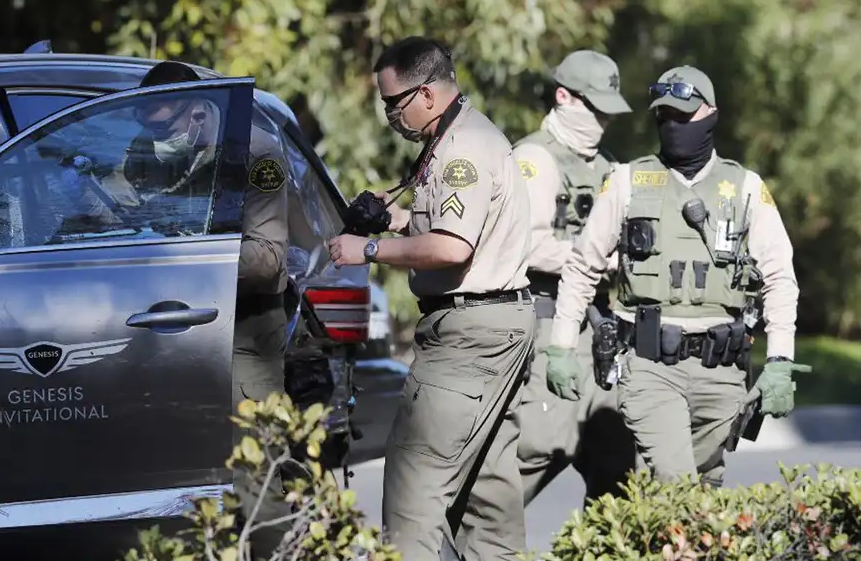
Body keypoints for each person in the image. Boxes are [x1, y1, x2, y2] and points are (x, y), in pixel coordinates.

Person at [542, 65, 810, 487]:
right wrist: (560, 347)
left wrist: (780, 361)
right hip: (650, 368)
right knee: (675, 484)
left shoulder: (744, 187)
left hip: (723, 372)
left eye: (684, 117)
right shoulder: (628, 181)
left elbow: (780, 277)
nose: (674, 127)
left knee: (706, 490)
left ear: (711, 114)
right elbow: (582, 266)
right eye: (665, 118)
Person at [328, 36, 536, 561]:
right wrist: (394, 218)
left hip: (469, 337)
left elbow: (451, 246)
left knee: (412, 497)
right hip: (496, 325)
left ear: (425, 94)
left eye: (393, 103)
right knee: (488, 499)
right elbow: (452, 223)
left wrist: (369, 248)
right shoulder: (457, 135)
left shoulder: (462, 148)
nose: (389, 117)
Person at [455, 49, 638, 560]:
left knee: (616, 461)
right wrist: (597, 260)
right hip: (544, 320)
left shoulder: (606, 168)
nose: (601, 122)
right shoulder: (535, 159)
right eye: (593, 108)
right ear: (564, 96)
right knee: (538, 447)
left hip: (597, 329)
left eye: (607, 112)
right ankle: (470, 546)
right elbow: (528, 245)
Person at [114, 61, 292, 556]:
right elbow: (127, 213)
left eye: (166, 127)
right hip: (164, 326)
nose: (156, 137)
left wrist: (185, 248)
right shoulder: (143, 152)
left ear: (198, 113)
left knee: (258, 472)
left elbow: (267, 259)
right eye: (147, 127)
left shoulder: (255, 153)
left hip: (244, 328)